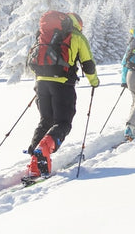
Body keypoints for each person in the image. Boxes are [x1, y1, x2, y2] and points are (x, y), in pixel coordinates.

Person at [26, 11, 99, 178]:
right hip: (62, 84)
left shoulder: (44, 34)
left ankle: (35, 164)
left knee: (46, 121)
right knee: (63, 123)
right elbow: (88, 64)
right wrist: (94, 81)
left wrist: (43, 79)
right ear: (78, 24)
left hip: (41, 84)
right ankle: (44, 149)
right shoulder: (76, 36)